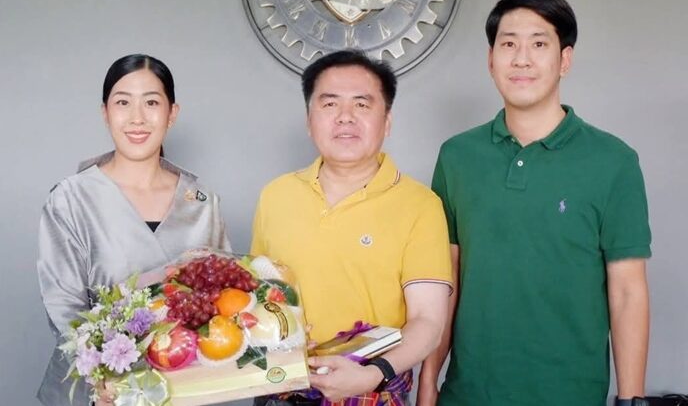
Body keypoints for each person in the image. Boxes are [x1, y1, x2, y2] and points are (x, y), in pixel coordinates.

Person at [418, 0, 652, 406]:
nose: (521, 59)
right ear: (491, 60)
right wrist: (428, 382)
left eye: (539, 44)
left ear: (565, 60)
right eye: (508, 44)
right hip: (467, 395)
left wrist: (632, 400)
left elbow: (628, 293)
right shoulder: (457, 157)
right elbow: (446, 281)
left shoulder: (614, 162)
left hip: (570, 395)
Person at [250, 50, 453, 405]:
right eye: (330, 104)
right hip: (280, 392)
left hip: (371, 392)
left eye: (361, 104)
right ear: (309, 121)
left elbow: (427, 322)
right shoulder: (275, 195)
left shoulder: (420, 205)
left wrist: (374, 373)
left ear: (386, 122)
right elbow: (258, 299)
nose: (345, 117)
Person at [36, 54, 232, 406]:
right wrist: (103, 377)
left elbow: (222, 297)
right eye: (123, 102)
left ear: (172, 113)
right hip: (99, 389)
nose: (137, 117)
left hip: (183, 386)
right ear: (105, 112)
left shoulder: (201, 200)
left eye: (152, 102)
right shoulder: (72, 197)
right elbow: (63, 306)